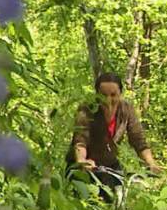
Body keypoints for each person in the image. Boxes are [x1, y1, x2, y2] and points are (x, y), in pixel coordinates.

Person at [69, 71, 160, 201]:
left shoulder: (126, 110)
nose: (108, 100)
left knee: (115, 202)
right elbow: (80, 140)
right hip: (85, 168)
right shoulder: (87, 109)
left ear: (120, 94)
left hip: (109, 166)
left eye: (113, 95)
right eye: (103, 95)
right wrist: (82, 161)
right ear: (97, 95)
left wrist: (150, 163)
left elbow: (138, 140)